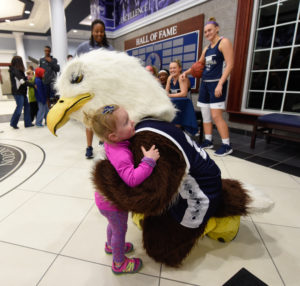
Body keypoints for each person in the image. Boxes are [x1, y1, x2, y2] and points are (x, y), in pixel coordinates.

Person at [83, 104, 160, 274]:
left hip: (104, 198)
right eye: (126, 122)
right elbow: (132, 179)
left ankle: (110, 245)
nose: (132, 122)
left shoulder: (114, 143)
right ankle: (119, 263)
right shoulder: (121, 154)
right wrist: (149, 161)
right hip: (112, 204)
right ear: (113, 135)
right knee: (120, 230)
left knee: (113, 225)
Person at [181, 17, 234, 157]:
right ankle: (208, 141)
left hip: (217, 83)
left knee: (216, 116)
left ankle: (227, 145)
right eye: (205, 32)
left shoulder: (224, 42)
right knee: (205, 115)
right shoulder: (206, 48)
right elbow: (198, 65)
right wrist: (185, 73)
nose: (207, 33)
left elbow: (230, 65)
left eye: (209, 30)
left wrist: (221, 84)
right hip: (205, 83)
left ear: (217, 29)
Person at [76, 19, 114, 159]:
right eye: (96, 31)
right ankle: (89, 147)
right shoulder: (83, 47)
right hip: (89, 89)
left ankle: (104, 143)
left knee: (104, 117)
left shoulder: (109, 49)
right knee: (89, 118)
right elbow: (76, 66)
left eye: (101, 31)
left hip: (104, 89)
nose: (99, 33)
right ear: (92, 32)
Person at [9, 56, 34, 129]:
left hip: (22, 92)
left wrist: (26, 78)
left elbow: (21, 79)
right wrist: (32, 85)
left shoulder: (18, 70)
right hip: (18, 92)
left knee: (27, 107)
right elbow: (21, 81)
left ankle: (28, 123)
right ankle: (13, 123)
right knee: (19, 108)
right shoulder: (15, 70)